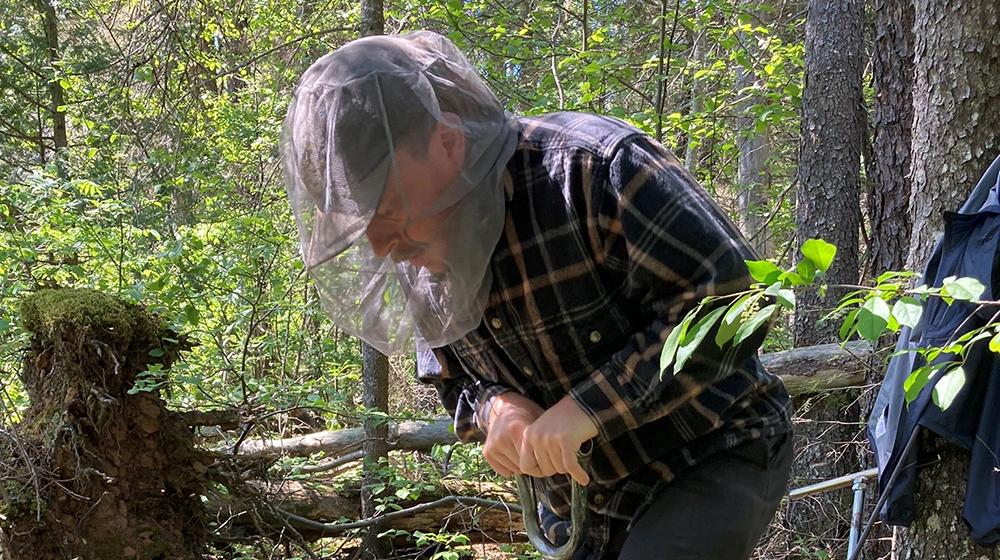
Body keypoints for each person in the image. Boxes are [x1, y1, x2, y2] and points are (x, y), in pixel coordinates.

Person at [281, 30, 793, 560]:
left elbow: (732, 304)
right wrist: (495, 408)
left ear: (448, 141)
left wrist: (588, 408)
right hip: (580, 508)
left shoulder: (594, 169)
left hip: (708, 449)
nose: (383, 248)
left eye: (387, 215)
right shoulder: (419, 257)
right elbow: (455, 381)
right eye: (362, 227)